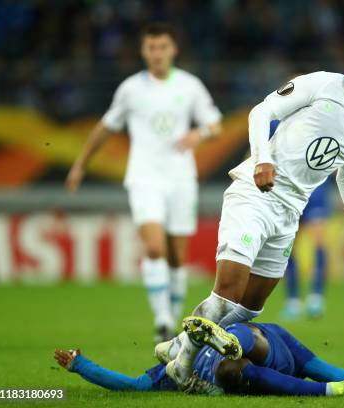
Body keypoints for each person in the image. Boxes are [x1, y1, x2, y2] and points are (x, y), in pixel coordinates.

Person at [167, 53, 344, 385]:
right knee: (228, 292)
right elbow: (261, 111)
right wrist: (261, 161)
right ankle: (181, 364)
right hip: (255, 195)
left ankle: (181, 344)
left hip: (289, 213)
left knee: (252, 307)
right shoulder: (322, 84)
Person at [65, 22, 223, 342]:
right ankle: (162, 319)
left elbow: (215, 124)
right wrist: (80, 164)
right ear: (143, 51)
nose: (157, 53)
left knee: (178, 255)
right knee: (154, 247)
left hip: (181, 177)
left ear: (173, 50)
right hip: (144, 177)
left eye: (162, 47)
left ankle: (174, 316)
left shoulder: (189, 86)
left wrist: (199, 132)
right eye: (151, 48)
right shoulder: (130, 89)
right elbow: (105, 127)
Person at [55, 317, 344, 396]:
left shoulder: (174, 370)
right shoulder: (167, 374)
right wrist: (80, 365)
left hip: (263, 341)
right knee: (233, 371)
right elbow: (133, 386)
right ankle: (333, 393)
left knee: (242, 341)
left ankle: (226, 340)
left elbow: (325, 368)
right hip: (244, 367)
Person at [281, 176, 333, 320]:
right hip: (292, 187)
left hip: (316, 185)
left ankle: (316, 297)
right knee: (289, 244)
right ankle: (293, 300)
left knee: (319, 240)